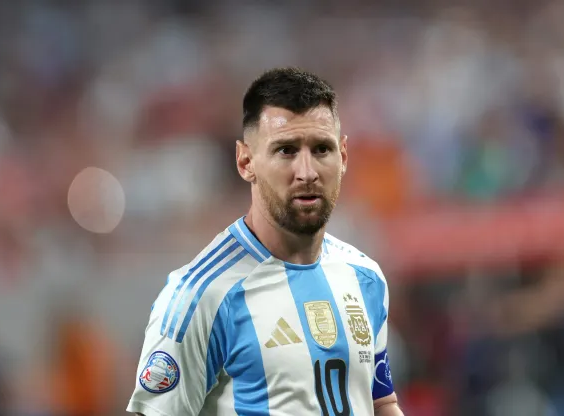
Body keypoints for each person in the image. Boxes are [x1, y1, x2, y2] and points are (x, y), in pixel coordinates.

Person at [127, 67, 403, 416]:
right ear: (246, 161)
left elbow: (381, 403)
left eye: (321, 149)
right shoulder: (200, 296)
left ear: (343, 156)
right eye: (286, 150)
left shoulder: (365, 277)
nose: (307, 172)